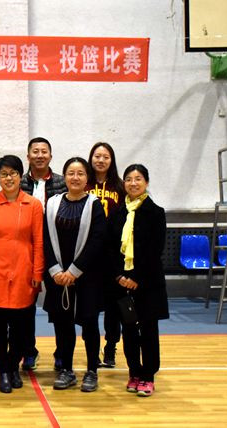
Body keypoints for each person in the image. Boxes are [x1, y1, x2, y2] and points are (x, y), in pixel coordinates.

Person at [0, 155, 44, 393]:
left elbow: (38, 241)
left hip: (23, 272)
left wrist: (37, 272)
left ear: (20, 175)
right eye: (4, 174)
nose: (9, 178)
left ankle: (14, 365)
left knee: (20, 326)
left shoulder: (33, 204)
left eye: (13, 173)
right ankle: (3, 370)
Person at [43, 157, 106, 393]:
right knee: (63, 325)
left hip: (87, 276)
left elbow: (97, 240)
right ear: (65, 177)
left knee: (89, 324)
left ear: (87, 178)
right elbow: (45, 239)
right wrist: (55, 270)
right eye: (71, 173)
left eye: (80, 173)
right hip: (58, 277)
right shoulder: (52, 204)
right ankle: (66, 370)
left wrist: (74, 271)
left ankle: (91, 371)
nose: (75, 177)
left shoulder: (94, 205)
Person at [108, 164, 168, 397]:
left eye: (138, 179)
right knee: (129, 330)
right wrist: (119, 276)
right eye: (129, 179)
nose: (133, 183)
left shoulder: (156, 213)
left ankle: (148, 375)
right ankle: (134, 371)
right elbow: (110, 249)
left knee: (148, 330)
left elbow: (155, 251)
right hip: (122, 284)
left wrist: (136, 278)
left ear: (146, 182)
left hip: (147, 283)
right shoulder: (117, 213)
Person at [19, 137, 67, 371]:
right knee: (25, 305)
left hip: (55, 252)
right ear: (28, 156)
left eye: (44, 151)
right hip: (26, 252)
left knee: (59, 305)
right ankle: (28, 351)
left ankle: (62, 352)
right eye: (35, 151)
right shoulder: (18, 182)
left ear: (50, 156)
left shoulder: (62, 182)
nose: (39, 155)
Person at [86, 142, 125, 368]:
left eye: (105, 157)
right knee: (90, 304)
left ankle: (111, 346)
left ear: (112, 160)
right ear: (91, 158)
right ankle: (90, 349)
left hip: (113, 255)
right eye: (97, 156)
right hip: (89, 253)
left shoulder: (119, 187)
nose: (101, 160)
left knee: (113, 306)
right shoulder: (84, 183)